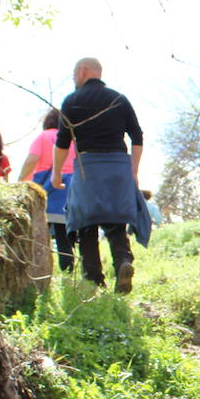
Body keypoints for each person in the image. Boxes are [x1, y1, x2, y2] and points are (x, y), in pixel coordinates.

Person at [52, 57, 150, 293]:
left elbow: (62, 142)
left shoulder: (71, 101)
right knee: (116, 224)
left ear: (83, 71)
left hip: (89, 167)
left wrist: (56, 175)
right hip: (117, 166)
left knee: (86, 224)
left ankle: (94, 280)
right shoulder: (118, 98)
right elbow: (137, 136)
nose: (74, 77)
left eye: (75, 73)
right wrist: (134, 172)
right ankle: (124, 261)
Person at [19, 109, 77, 272]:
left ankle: (40, 271)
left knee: (40, 233)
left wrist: (21, 180)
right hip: (70, 187)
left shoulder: (43, 137)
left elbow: (32, 160)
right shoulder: (72, 140)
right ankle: (69, 270)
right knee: (64, 233)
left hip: (47, 188)